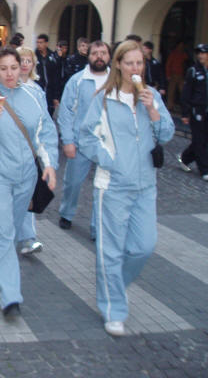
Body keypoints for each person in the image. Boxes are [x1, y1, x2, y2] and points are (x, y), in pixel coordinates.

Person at [78, 39, 174, 336]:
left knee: (144, 246)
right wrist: (110, 160)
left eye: (139, 63)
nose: (135, 68)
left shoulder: (150, 96)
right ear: (118, 64)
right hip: (113, 186)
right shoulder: (105, 99)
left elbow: (166, 134)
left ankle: (115, 286)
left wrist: (153, 111)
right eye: (130, 63)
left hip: (146, 185)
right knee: (111, 250)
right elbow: (86, 137)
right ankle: (113, 309)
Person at [0, 46, 58, 318]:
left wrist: (49, 164)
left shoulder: (34, 95)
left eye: (14, 68)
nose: (9, 74)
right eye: (3, 68)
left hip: (26, 175)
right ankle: (11, 296)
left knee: (12, 229)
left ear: (22, 68)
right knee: (4, 232)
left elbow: (45, 133)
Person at [57, 40, 111, 237]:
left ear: (109, 56)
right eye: (95, 53)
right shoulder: (77, 80)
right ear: (88, 56)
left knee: (103, 187)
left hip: (108, 144)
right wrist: (68, 140)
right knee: (72, 183)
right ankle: (66, 213)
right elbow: (66, 112)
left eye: (103, 53)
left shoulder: (116, 81)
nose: (99, 57)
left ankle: (98, 226)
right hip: (81, 142)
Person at [15, 47, 47, 256]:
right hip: (10, 148)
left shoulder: (37, 90)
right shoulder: (7, 87)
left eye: (29, 60)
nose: (25, 64)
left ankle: (28, 237)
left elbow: (44, 119)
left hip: (30, 149)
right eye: (22, 60)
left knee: (28, 192)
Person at [178, 43, 208, 181]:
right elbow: (186, 92)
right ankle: (204, 170)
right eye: (199, 53)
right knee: (199, 139)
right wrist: (185, 113)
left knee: (204, 140)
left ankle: (185, 158)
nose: (200, 55)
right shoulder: (193, 71)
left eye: (203, 53)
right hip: (197, 110)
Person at [35, 34, 63, 115]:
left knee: (49, 114)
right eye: (37, 42)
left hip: (50, 92)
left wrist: (56, 96)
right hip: (38, 90)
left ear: (46, 43)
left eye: (41, 42)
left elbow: (57, 76)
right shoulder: (34, 56)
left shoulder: (53, 56)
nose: (38, 45)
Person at [165, 40, 188, 111]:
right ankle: (170, 106)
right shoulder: (173, 54)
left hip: (181, 75)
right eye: (180, 45)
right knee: (171, 92)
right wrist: (168, 75)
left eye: (182, 46)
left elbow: (186, 63)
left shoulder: (183, 54)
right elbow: (168, 65)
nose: (181, 47)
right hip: (173, 75)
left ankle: (185, 107)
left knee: (183, 91)